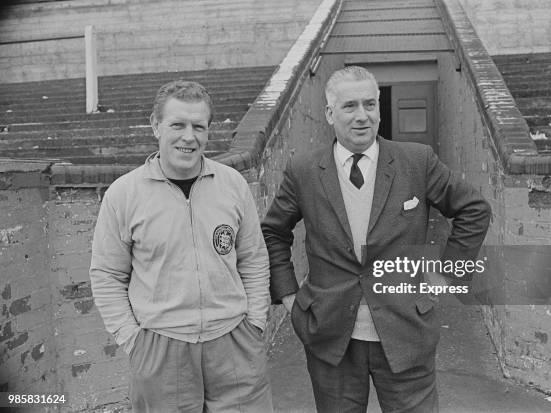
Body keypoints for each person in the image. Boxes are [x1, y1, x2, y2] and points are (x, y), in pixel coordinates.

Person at [261, 66, 491, 412]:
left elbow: (474, 209)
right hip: (329, 335)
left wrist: (446, 277)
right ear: (329, 113)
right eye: (350, 106)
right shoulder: (304, 170)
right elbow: (274, 231)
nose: (362, 116)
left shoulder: (417, 160)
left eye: (370, 105)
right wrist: (289, 295)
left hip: (406, 331)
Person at [90, 80, 273, 413]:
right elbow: (107, 275)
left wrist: (255, 323)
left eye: (198, 126)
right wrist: (134, 341)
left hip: (234, 341)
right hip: (161, 348)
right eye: (178, 124)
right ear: (155, 125)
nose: (189, 137)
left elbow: (254, 260)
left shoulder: (232, 184)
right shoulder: (124, 195)